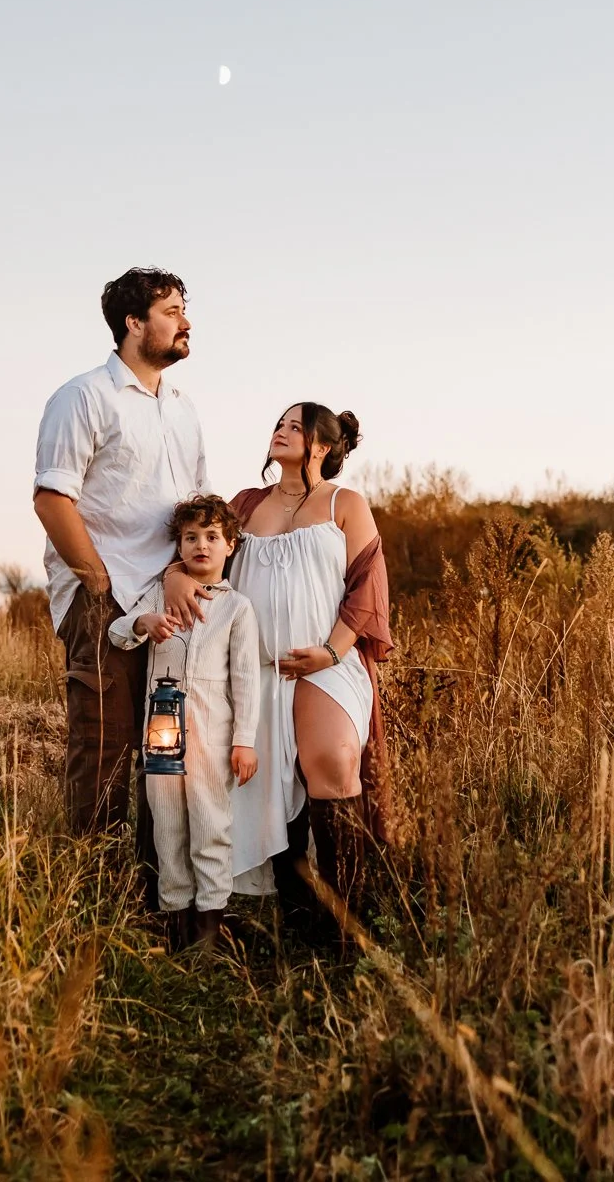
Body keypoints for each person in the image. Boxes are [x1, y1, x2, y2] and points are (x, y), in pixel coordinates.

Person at [169, 403, 396, 941]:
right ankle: (298, 916)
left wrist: (332, 651)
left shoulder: (345, 503)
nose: (281, 431)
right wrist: (177, 576)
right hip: (256, 671)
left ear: (321, 445)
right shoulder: (245, 505)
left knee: (334, 763)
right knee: (268, 784)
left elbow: (367, 586)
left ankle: (346, 925)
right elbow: (197, 543)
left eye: (296, 426)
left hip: (324, 663)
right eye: (279, 423)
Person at [33, 269, 211, 863]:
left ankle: (159, 890)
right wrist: (98, 582)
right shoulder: (84, 397)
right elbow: (53, 498)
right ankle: (95, 893)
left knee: (166, 751)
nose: (185, 322)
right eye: (172, 311)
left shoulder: (184, 411)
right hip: (103, 597)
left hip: (171, 603)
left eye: (185, 309)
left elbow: (197, 508)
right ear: (134, 323)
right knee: (103, 745)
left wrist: (184, 573)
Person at [108, 496, 261, 950]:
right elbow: (118, 631)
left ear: (230, 546)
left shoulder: (238, 610)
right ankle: (175, 929)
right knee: (168, 827)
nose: (201, 545)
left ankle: (208, 935)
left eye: (212, 537)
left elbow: (247, 680)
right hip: (163, 733)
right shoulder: (161, 593)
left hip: (213, 737)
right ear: (178, 544)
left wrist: (244, 741)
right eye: (191, 537)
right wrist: (144, 623)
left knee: (211, 827)